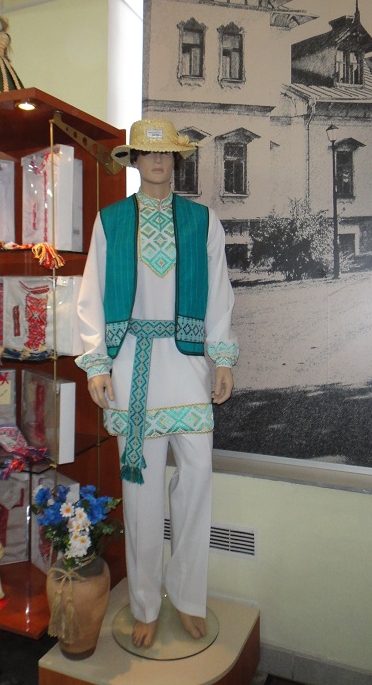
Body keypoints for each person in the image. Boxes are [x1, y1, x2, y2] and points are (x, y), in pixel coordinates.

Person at [76, 118, 238, 649]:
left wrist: (222, 357)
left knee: (197, 480)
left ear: (176, 159)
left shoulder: (202, 220)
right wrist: (97, 364)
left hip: (188, 364)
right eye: (148, 153)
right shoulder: (111, 221)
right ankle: (145, 603)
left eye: (166, 152)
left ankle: (189, 598)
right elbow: (91, 296)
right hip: (131, 366)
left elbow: (219, 293)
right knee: (141, 494)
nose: (158, 161)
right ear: (133, 160)